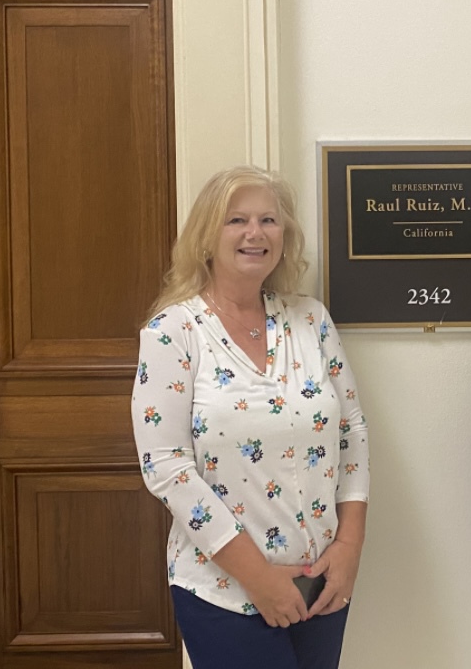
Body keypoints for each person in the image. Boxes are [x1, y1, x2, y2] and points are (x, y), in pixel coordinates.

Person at [132, 165, 369, 668]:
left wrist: (349, 549)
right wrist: (260, 579)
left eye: (268, 220)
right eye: (236, 220)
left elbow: (352, 433)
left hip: (322, 584)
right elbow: (166, 467)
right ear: (206, 237)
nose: (254, 233)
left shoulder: (311, 320)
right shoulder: (173, 332)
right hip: (224, 591)